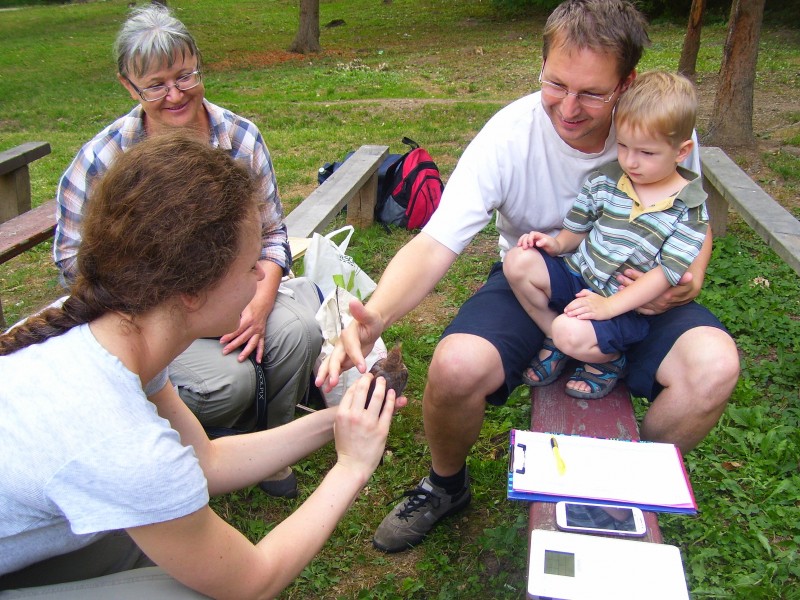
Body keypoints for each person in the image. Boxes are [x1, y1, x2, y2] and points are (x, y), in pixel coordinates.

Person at [316, 0, 739, 554]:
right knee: (454, 364)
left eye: (592, 92)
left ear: (627, 82)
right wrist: (378, 315)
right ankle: (446, 485)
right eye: (555, 83)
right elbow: (436, 240)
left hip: (638, 289)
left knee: (715, 367)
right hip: (537, 279)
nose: (568, 107)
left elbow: (693, 214)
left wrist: (694, 276)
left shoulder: (660, 125)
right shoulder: (510, 135)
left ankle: (627, 481)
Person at [0, 133, 400, 599]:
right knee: (196, 592)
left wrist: (340, 421)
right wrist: (351, 467)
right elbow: (252, 581)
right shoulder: (122, 442)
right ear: (191, 290)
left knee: (168, 554)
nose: (262, 278)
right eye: (251, 265)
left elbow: (205, 461)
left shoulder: (116, 327)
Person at [53, 4, 321, 497]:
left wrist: (260, 302)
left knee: (299, 331)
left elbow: (274, 234)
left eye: (184, 75)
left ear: (199, 63)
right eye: (156, 84)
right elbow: (73, 264)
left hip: (239, 295)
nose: (175, 94)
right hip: (152, 316)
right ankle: (212, 441)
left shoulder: (239, 137)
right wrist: (165, 309)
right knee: (230, 383)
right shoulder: (102, 160)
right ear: (128, 86)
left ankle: (268, 443)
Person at [503, 71, 707, 400]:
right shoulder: (608, 179)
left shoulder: (689, 207)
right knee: (517, 261)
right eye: (624, 146)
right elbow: (577, 230)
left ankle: (608, 360)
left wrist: (609, 307)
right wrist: (554, 244)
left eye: (647, 153)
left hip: (624, 306)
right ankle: (556, 338)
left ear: (681, 151)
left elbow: (666, 275)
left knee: (570, 331)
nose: (631, 161)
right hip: (578, 278)